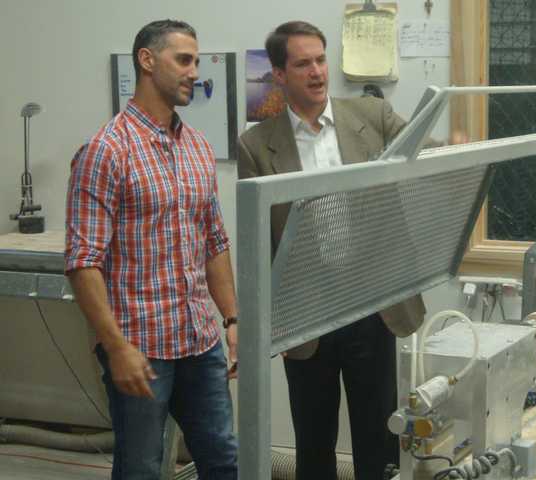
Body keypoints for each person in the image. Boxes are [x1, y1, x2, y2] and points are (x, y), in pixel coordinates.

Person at [237, 20, 426, 480]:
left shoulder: (372, 116)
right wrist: (269, 324)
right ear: (280, 75)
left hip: (372, 304)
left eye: (321, 59)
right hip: (307, 316)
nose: (317, 71)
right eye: (303, 63)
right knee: (314, 440)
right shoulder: (257, 145)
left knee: (378, 437)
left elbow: (420, 153)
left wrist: (451, 145)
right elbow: (259, 243)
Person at [65, 19, 238, 480]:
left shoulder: (197, 148)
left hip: (200, 342)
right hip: (141, 347)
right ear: (146, 60)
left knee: (223, 459)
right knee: (141, 468)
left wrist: (232, 319)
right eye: (183, 60)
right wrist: (115, 346)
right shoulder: (106, 151)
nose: (193, 72)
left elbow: (214, 241)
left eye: (196, 62)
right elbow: (83, 262)